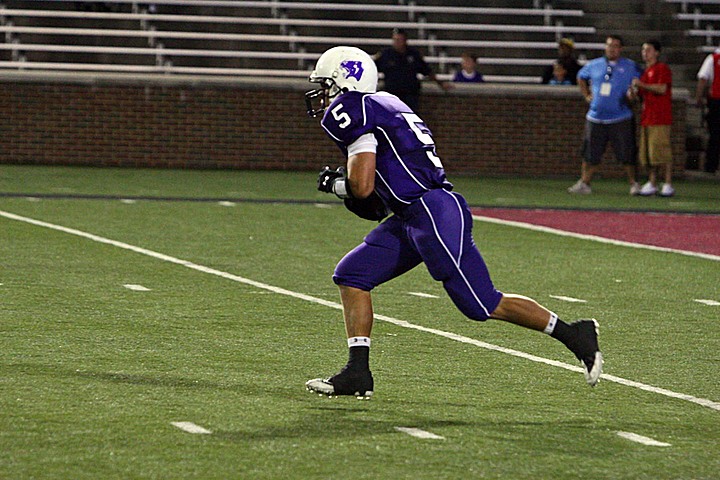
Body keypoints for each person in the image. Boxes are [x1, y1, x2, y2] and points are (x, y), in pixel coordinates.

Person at [303, 46, 603, 398]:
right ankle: (357, 371)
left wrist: (338, 185)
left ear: (344, 80)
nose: (324, 95)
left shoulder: (356, 108)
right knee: (352, 275)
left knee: (480, 304)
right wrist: (351, 189)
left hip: (431, 212)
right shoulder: (387, 104)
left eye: (327, 85)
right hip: (413, 214)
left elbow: (362, 186)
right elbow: (377, 200)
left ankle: (575, 334)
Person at [568, 35, 643, 195]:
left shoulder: (630, 66)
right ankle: (584, 182)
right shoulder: (594, 65)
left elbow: (641, 82)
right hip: (596, 116)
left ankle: (634, 183)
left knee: (627, 153)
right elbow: (581, 77)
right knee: (590, 152)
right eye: (609, 46)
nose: (612, 49)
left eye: (615, 46)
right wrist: (587, 95)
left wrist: (633, 94)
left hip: (620, 116)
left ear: (620, 49)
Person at [628, 39, 674, 197]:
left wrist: (641, 85)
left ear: (656, 52)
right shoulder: (645, 72)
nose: (644, 53)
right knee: (648, 154)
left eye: (648, 50)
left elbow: (661, 89)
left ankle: (667, 183)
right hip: (647, 117)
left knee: (662, 151)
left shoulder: (662, 68)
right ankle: (652, 182)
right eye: (643, 50)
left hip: (660, 117)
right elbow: (640, 97)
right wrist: (633, 92)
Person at [373, 28, 451, 112]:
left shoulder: (414, 54)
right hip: (392, 95)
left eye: (399, 40)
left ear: (405, 40)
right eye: (395, 40)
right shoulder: (386, 54)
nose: (396, 42)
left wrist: (440, 83)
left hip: (410, 96)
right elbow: (372, 68)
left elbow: (427, 71)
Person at [695, 43, 720, 175]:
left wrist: (699, 97)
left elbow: (703, 78)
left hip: (716, 100)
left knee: (715, 135)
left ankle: (711, 166)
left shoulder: (713, 59)